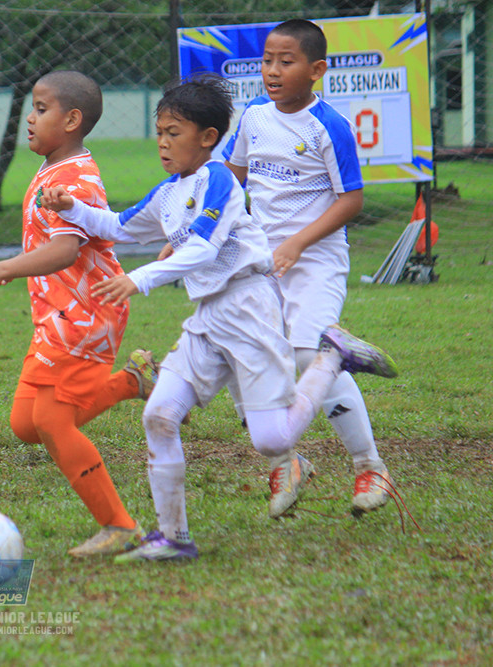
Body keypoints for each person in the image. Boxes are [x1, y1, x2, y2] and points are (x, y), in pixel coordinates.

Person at [39, 75, 397, 562]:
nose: (163, 143)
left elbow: (204, 248)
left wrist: (140, 279)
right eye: (160, 131)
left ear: (208, 138)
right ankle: (174, 538)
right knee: (160, 416)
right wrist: (74, 207)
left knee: (271, 438)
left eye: (175, 133)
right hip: (208, 320)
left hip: (251, 312)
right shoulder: (169, 192)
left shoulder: (221, 181)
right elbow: (118, 226)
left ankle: (332, 357)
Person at [0, 70, 158, 558]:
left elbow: (64, 250)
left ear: (72, 119)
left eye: (41, 109)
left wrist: (2, 266)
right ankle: (133, 380)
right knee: (26, 424)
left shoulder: (77, 177)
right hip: (60, 316)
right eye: (32, 108)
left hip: (85, 314)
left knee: (54, 423)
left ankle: (119, 525)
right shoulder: (56, 166)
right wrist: (12, 269)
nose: (30, 118)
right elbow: (49, 246)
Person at [223, 19, 394, 515]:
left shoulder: (329, 126)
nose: (272, 71)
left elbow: (351, 200)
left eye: (286, 61)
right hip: (262, 256)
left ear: (316, 70)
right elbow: (232, 179)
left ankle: (370, 467)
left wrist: (298, 242)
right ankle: (287, 461)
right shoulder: (254, 114)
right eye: (267, 60)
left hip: (315, 257)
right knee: (238, 353)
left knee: (307, 354)